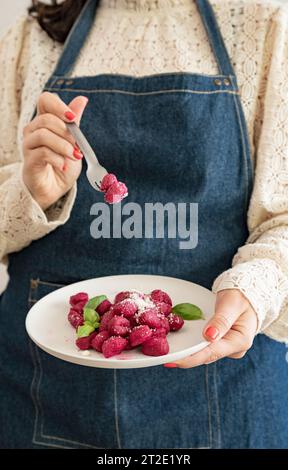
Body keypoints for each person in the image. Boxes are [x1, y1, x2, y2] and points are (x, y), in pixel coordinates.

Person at [0, 0, 288, 449]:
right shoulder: (28, 39)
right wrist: (30, 193)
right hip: (42, 391)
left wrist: (253, 288)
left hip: (224, 387)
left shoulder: (260, 26)